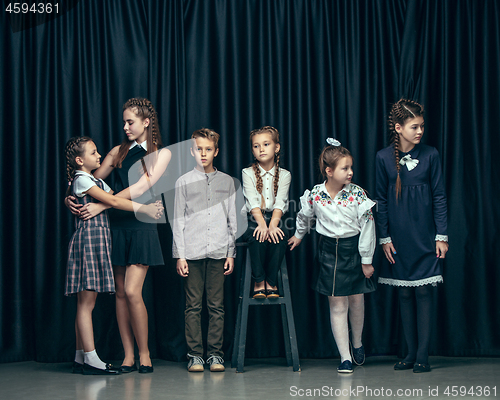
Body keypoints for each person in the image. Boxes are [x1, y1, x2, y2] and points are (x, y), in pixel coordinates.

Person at [65, 98, 171, 373]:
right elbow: (89, 179)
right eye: (124, 121)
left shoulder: (162, 154)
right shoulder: (117, 151)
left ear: (146, 122)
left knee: (134, 291)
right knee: (120, 294)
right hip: (115, 227)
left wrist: (104, 203)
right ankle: (128, 357)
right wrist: (69, 197)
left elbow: (140, 186)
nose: (125, 127)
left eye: (130, 122)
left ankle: (145, 354)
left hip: (142, 224)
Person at [288, 138, 376, 374]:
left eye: (350, 167)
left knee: (357, 300)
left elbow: (368, 227)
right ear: (329, 171)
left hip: (354, 249)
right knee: (337, 305)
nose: (350, 172)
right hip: (328, 251)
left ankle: (357, 343)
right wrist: (298, 235)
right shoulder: (316, 194)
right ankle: (345, 356)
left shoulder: (357, 193)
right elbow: (304, 216)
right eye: (344, 168)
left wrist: (366, 260)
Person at [375, 99, 448, 373]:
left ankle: (423, 355)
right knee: (404, 294)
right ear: (398, 128)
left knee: (424, 291)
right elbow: (380, 200)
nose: (420, 131)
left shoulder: (431, 155)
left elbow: (439, 196)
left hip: (426, 236)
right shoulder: (382, 157)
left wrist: (442, 235)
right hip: (398, 238)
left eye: (422, 126)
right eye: (414, 126)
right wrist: (384, 238)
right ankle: (407, 353)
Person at [173, 128, 237, 372]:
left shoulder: (227, 182)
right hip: (193, 252)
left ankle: (215, 355)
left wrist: (231, 253)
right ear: (192, 150)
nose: (203, 153)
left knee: (216, 306)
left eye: (208, 149)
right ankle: (195, 355)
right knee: (193, 306)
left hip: (219, 250)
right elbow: (178, 220)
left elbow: (232, 220)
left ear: (216, 151)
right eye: (198, 149)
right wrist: (180, 255)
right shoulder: (183, 182)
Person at [241, 126, 291, 299]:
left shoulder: (285, 175)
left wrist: (272, 226)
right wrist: (263, 225)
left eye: (266, 144)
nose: (261, 149)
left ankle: (271, 282)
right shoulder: (247, 173)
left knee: (279, 238)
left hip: (276, 219)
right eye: (256, 146)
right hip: (253, 218)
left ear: (276, 147)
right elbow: (253, 202)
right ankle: (258, 281)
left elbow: (280, 203)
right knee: (257, 237)